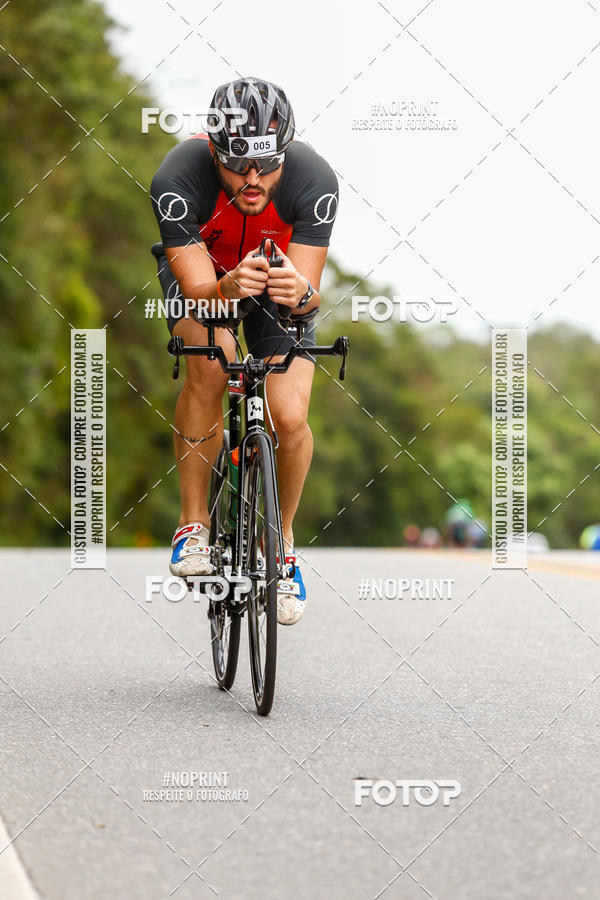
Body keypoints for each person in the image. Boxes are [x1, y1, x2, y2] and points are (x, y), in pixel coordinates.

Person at [150, 77, 338, 625]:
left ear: (287, 152)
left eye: (266, 164)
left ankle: (279, 545)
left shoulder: (314, 179)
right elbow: (200, 293)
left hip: (271, 280)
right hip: (207, 279)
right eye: (237, 165)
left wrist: (303, 297)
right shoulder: (177, 178)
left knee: (290, 414)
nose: (252, 181)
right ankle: (193, 525)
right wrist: (226, 287)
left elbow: (306, 292)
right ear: (213, 151)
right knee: (209, 371)